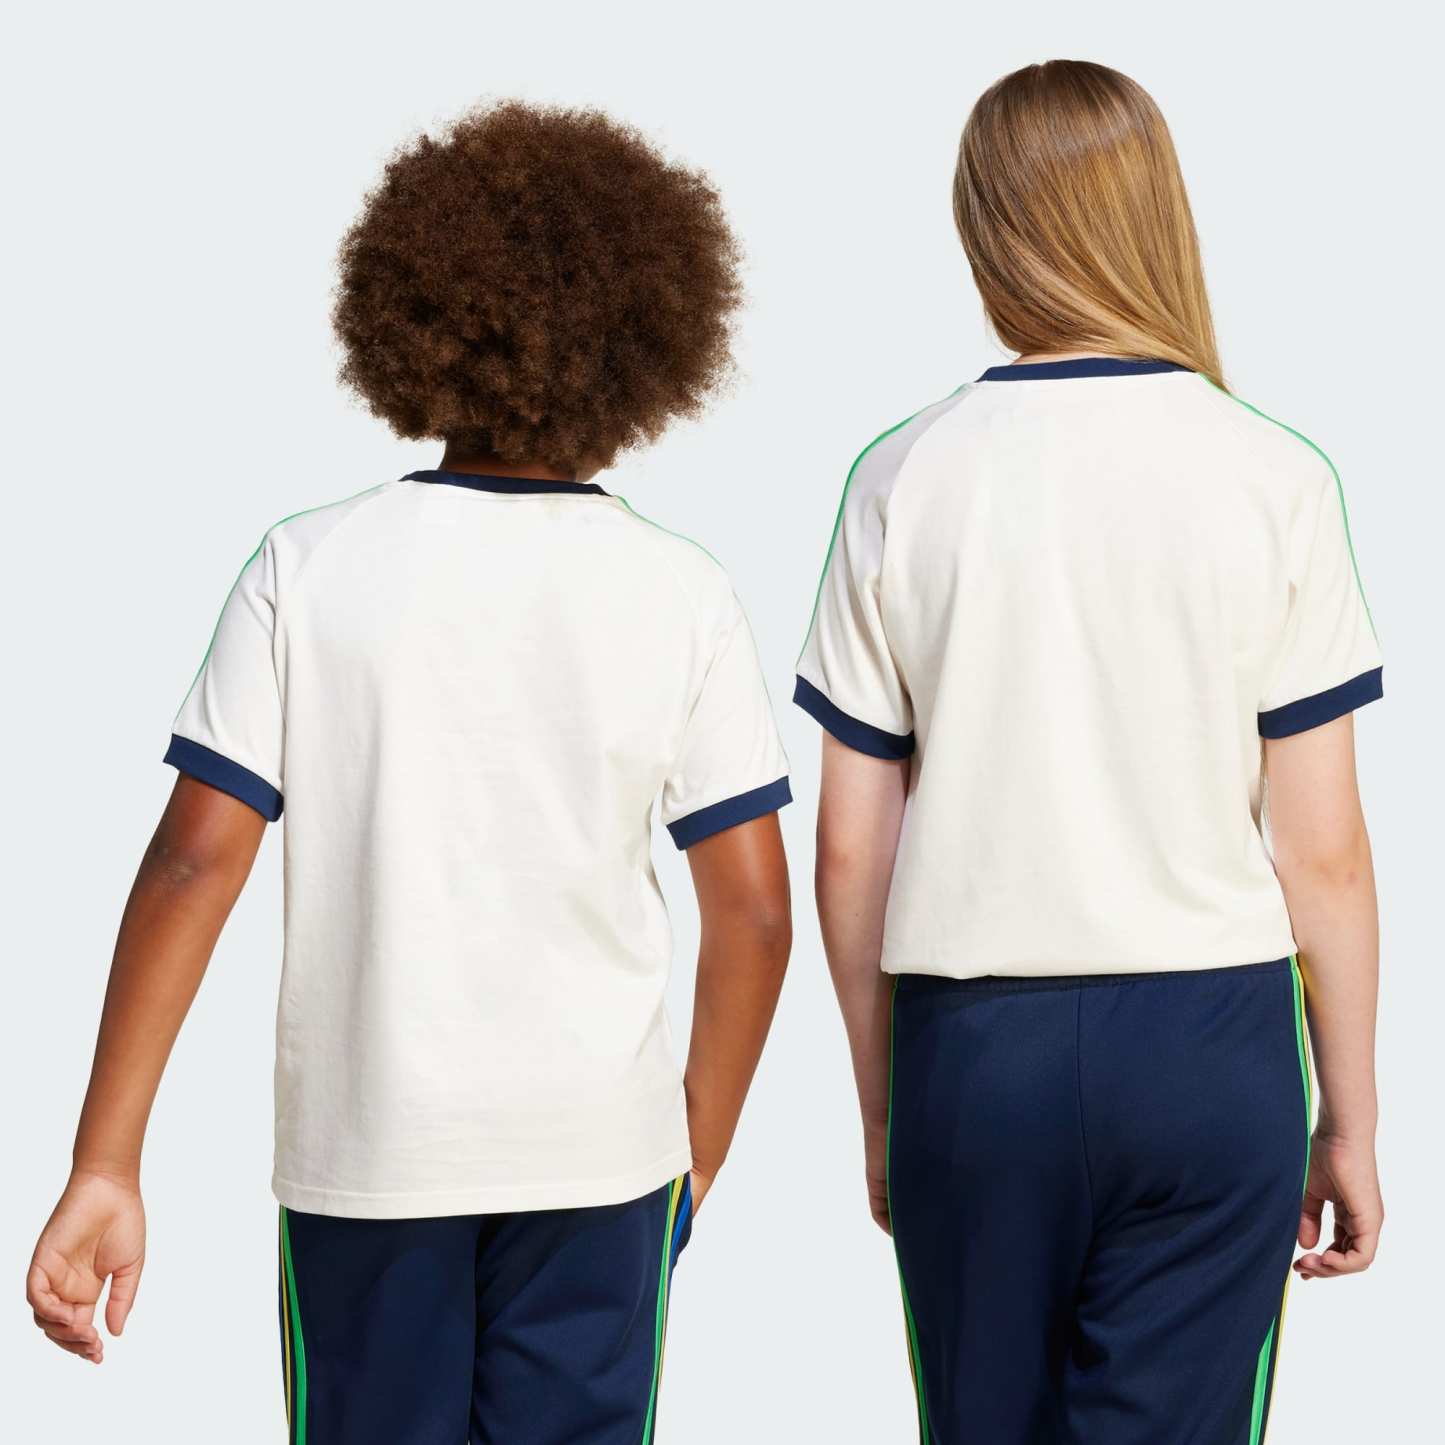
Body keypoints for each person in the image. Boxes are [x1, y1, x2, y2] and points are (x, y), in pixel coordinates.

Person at [27, 101, 793, 1445]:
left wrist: (106, 1157)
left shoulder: (309, 567)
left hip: (371, 1159)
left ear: (413, 314)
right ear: (648, 338)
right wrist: (695, 1153)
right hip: (598, 1160)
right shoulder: (681, 593)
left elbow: (194, 860)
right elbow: (755, 912)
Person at [796, 59, 1383, 1445]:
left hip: (969, 1053)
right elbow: (1322, 852)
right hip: (1209, 1052)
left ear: (981, 226)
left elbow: (848, 848)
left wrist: (884, 1107)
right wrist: (1349, 1121)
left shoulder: (903, 475)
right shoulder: (1272, 476)